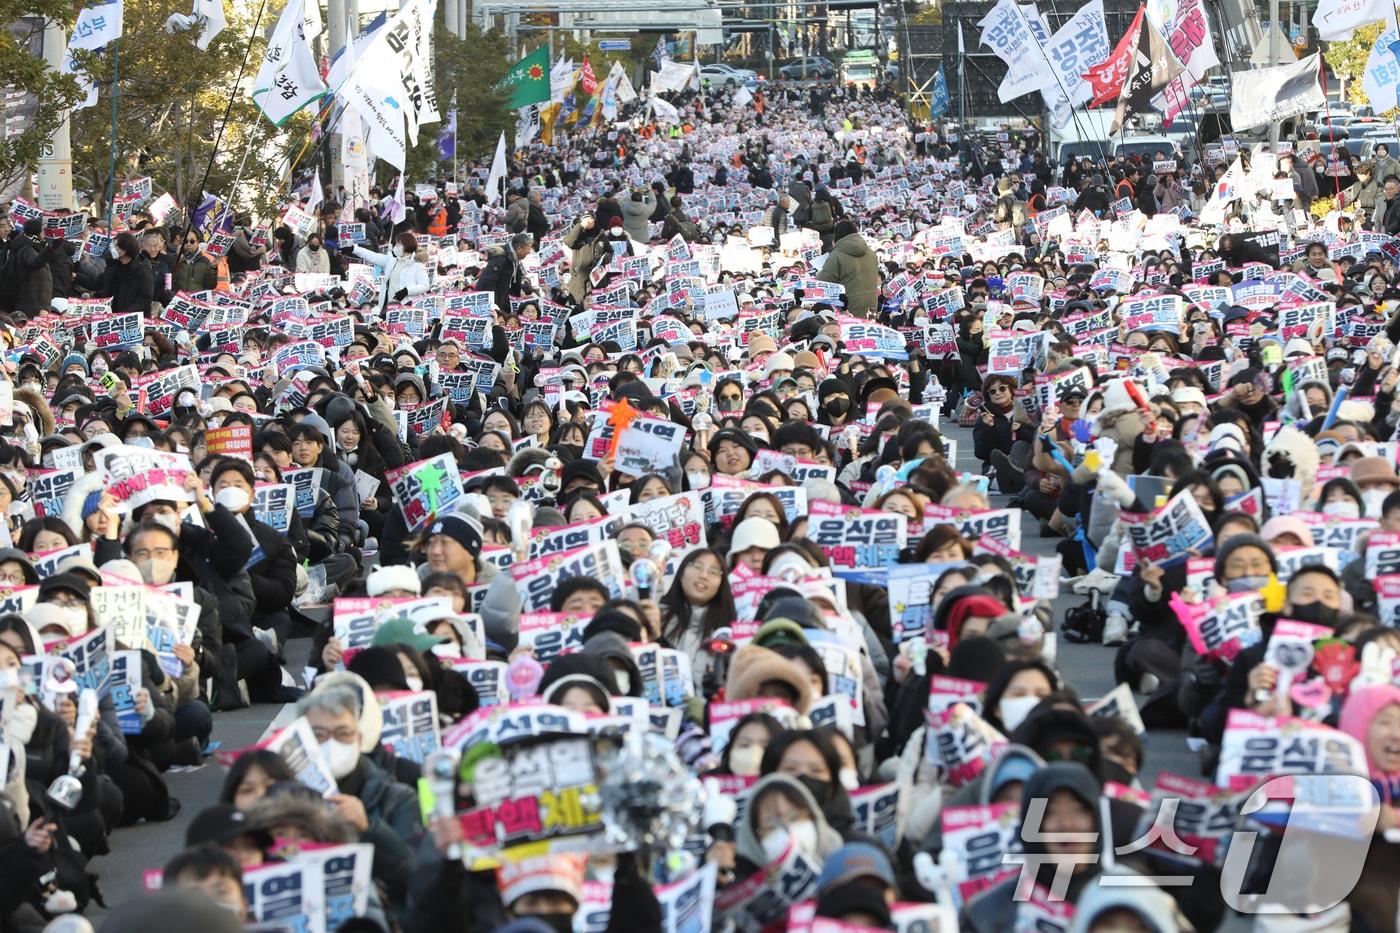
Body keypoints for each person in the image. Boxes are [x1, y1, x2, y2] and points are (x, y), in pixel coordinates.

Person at [815, 219, 878, 317]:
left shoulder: (837, 255)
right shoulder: (870, 252)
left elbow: (823, 281)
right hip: (872, 303)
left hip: (848, 306)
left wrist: (817, 274)